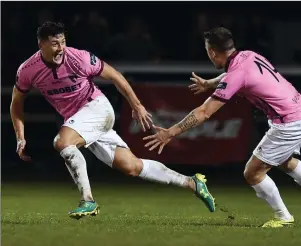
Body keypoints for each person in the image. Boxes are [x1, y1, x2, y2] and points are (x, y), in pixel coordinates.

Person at [10, 21, 215, 220]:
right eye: (55, 43)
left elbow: (115, 75)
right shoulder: (28, 70)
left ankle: (87, 200)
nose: (61, 48)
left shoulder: (79, 58)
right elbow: (16, 103)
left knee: (63, 142)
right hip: (80, 121)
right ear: (41, 45)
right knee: (132, 167)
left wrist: (137, 105)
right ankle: (192, 183)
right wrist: (20, 137)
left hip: (97, 109)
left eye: (63, 41)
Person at [143, 27, 301, 228]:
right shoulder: (247, 55)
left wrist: (170, 132)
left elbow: (204, 112)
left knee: (252, 173)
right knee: (284, 161)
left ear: (212, 52)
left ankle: (283, 217)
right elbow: (233, 75)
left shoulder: (236, 73)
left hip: (289, 122)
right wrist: (210, 83)